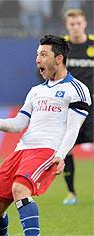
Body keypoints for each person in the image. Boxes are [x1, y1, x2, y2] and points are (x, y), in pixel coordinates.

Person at [0, 34, 91, 236]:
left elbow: (73, 128)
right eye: (37, 55)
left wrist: (60, 155)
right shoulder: (35, 91)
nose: (38, 59)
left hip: (47, 150)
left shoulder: (77, 90)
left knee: (20, 189)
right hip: (22, 150)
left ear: (59, 59)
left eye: (43, 55)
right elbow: (19, 124)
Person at [62, 8, 94, 205]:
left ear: (85, 24)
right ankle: (71, 193)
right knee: (67, 149)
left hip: (93, 104)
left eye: (78, 23)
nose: (75, 27)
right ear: (67, 26)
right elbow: (45, 70)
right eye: (72, 24)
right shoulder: (61, 46)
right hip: (70, 105)